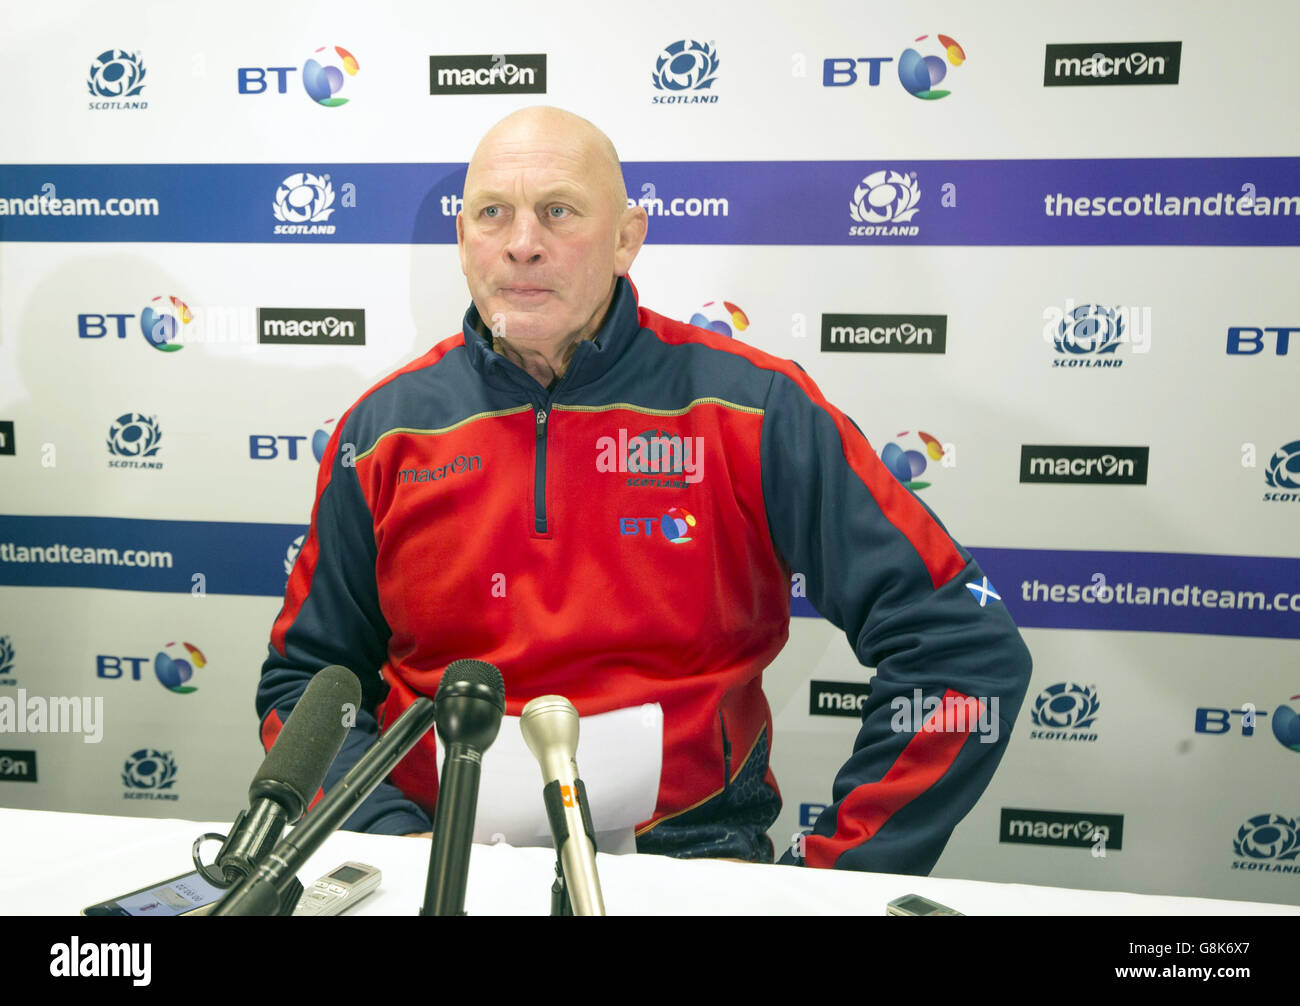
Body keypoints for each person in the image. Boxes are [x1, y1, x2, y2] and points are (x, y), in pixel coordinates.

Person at [257, 105, 1032, 873]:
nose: (523, 245)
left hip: (690, 857)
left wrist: (838, 881)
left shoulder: (752, 409)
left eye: (559, 212)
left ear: (629, 237)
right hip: (438, 858)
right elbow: (307, 684)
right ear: (463, 239)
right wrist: (392, 838)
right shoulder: (383, 432)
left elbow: (963, 652)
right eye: (494, 213)